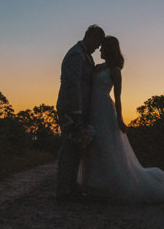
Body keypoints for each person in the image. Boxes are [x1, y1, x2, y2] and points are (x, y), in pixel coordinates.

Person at [80, 35, 164, 203]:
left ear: (108, 49)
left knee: (107, 145)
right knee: (96, 146)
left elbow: (118, 96)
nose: (100, 50)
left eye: (102, 48)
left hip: (105, 109)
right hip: (93, 108)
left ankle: (112, 186)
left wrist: (120, 119)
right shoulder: (98, 67)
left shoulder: (115, 70)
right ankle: (96, 187)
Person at [56, 24, 105, 201]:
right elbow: (73, 84)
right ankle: (63, 190)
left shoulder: (86, 56)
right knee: (69, 147)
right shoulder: (76, 54)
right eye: (97, 43)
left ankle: (71, 187)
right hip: (71, 108)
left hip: (80, 108)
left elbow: (86, 78)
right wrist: (76, 111)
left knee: (76, 147)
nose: (97, 48)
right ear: (91, 37)